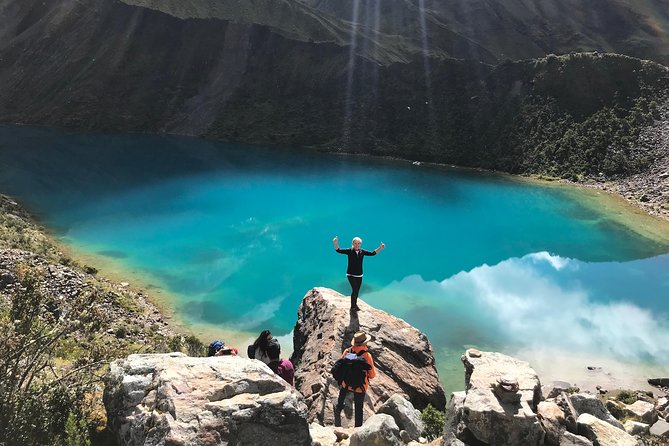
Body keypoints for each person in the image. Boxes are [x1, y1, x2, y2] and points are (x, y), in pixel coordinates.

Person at [334, 331, 376, 428]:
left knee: (342, 392)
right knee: (358, 407)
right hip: (360, 386)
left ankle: (339, 407)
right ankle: (358, 428)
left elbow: (342, 366)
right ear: (365, 343)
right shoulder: (366, 356)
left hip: (346, 383)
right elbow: (372, 375)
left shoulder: (347, 351)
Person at [333, 236, 385, 311]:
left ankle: (355, 304)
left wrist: (380, 247)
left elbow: (372, 253)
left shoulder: (362, 251)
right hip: (350, 274)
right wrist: (335, 243)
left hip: (359, 274)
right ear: (353, 244)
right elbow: (338, 250)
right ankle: (352, 307)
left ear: (360, 244)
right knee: (355, 290)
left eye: (358, 243)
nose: (357, 245)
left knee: (357, 291)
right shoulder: (349, 251)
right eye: (355, 243)